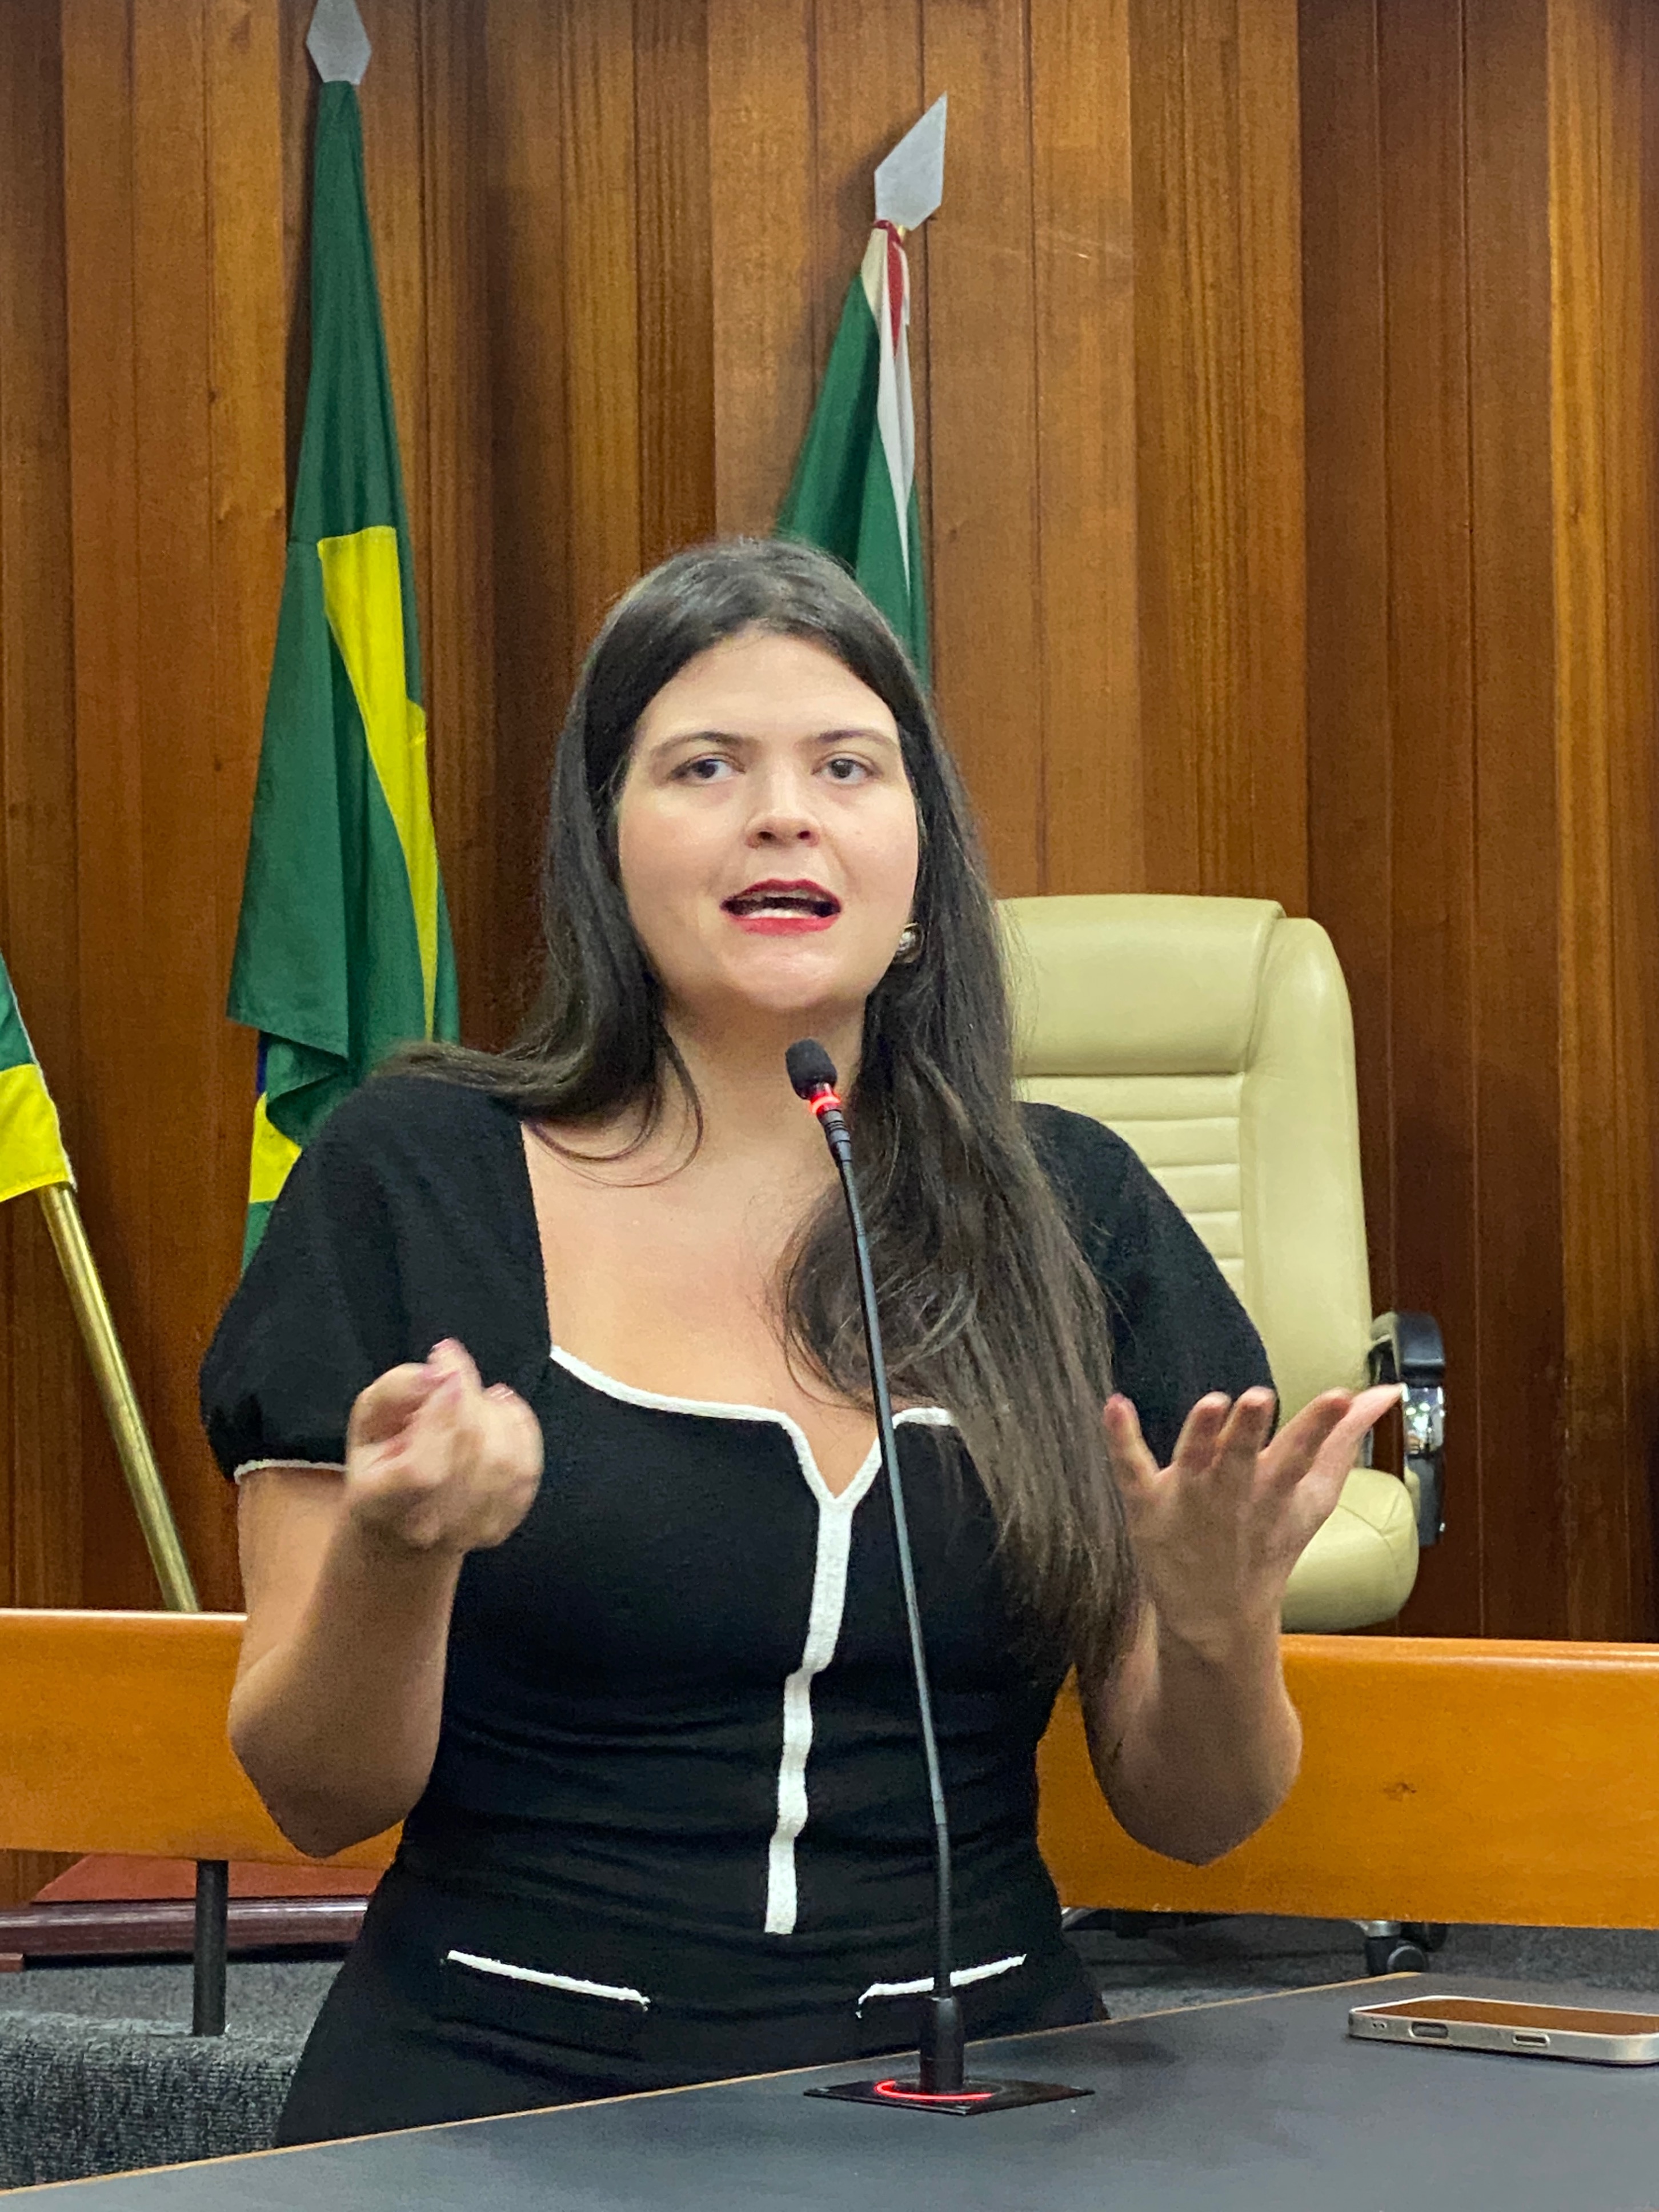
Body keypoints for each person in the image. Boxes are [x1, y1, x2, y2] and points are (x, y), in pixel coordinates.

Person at [201, 538, 1396, 2145]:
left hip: (983, 2088)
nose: (785, 813)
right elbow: (316, 1794)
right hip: (498, 2080)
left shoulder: (1079, 1211)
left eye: (846, 766)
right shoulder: (411, 1178)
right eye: (706, 766)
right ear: (605, 845)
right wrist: (398, 1554)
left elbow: (1198, 1818)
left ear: (919, 859)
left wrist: (1215, 1623)